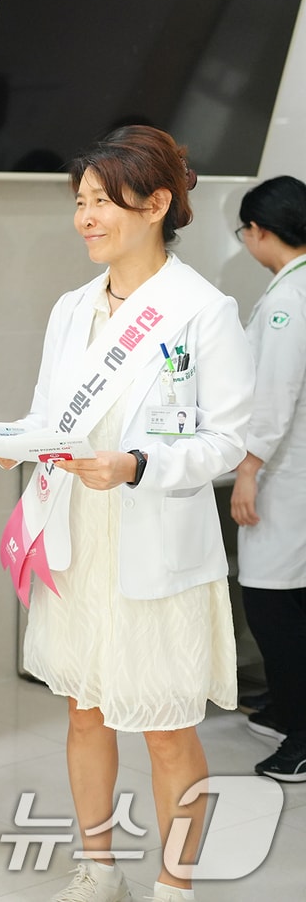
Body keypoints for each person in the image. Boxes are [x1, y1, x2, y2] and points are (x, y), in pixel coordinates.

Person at [0, 126, 252, 902]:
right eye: (80, 201)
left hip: (155, 547)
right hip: (81, 545)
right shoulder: (72, 309)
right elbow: (51, 411)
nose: (86, 217)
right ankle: (99, 868)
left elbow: (227, 440)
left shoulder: (202, 310)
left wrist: (138, 465)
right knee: (85, 713)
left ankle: (175, 884)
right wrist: (19, 442)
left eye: (102, 201)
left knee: (167, 728)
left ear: (158, 204)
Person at [230, 174, 306, 783]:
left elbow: (276, 398)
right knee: (290, 599)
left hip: (286, 475)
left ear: (259, 231)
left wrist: (249, 469)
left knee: (272, 602)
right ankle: (286, 707)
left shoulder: (287, 301)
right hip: (293, 469)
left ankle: (300, 738)